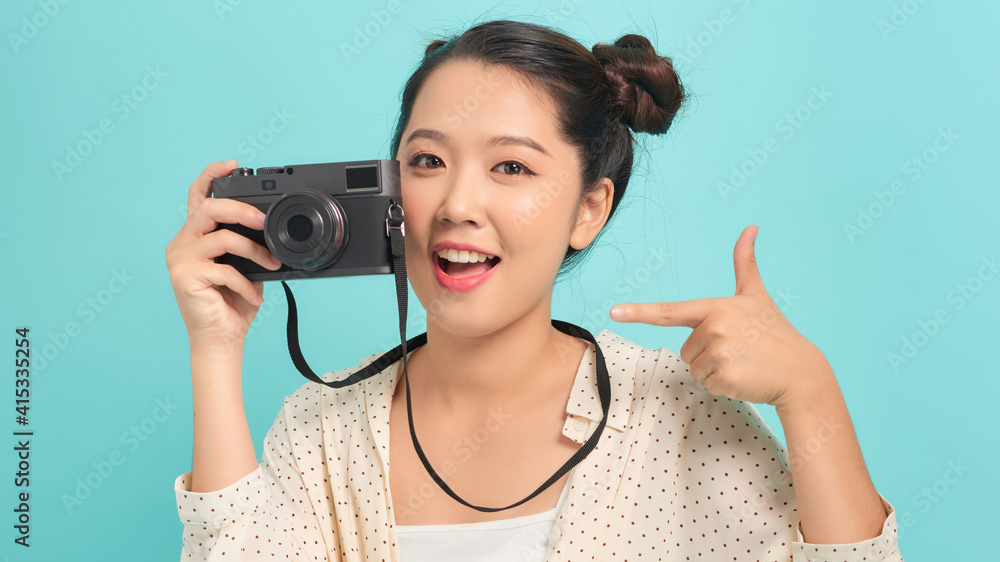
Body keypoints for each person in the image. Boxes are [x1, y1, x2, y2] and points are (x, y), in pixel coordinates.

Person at [166, 19, 902, 561]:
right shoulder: (321, 429)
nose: (457, 204)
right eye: (426, 161)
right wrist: (214, 349)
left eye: (511, 168)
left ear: (588, 210)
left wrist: (812, 393)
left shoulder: (676, 414)